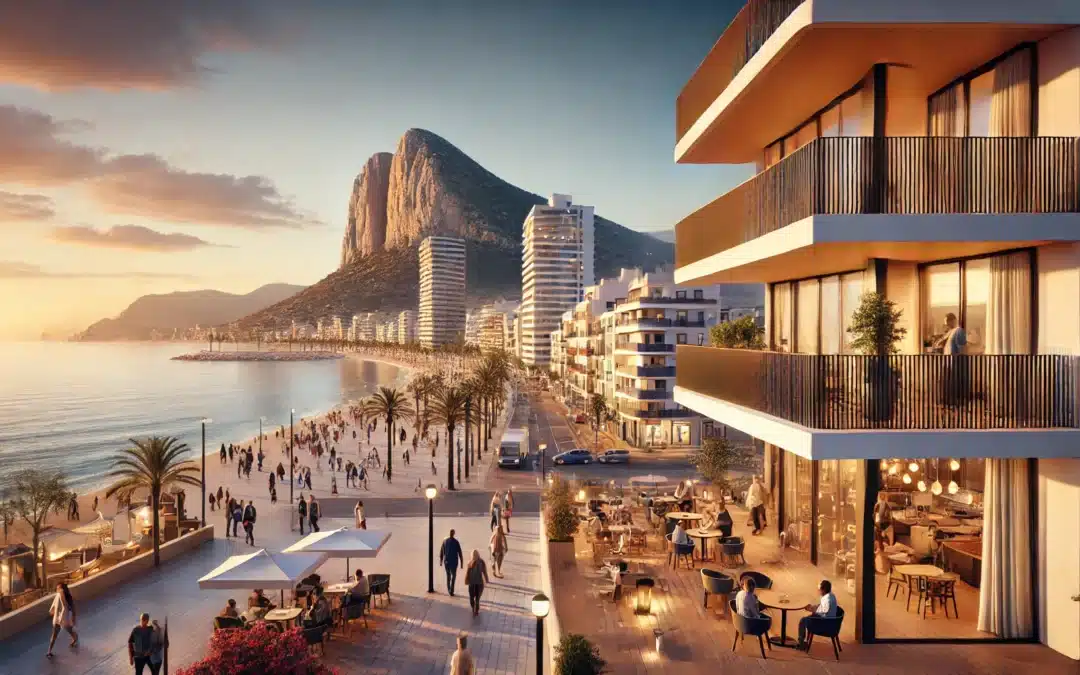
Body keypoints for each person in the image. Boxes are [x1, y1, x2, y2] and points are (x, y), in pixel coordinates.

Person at [798, 580, 838, 650]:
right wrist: (813, 607)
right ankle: (804, 641)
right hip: (832, 622)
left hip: (825, 624)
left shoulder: (827, 599)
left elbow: (823, 611)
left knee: (803, 620)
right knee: (810, 616)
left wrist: (811, 609)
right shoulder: (831, 596)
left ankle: (801, 644)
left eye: (820, 589)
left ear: (823, 590)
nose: (819, 591)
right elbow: (822, 607)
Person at [46, 582, 77, 658]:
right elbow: (55, 605)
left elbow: (68, 606)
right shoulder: (58, 596)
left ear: (63, 589)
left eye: (59, 588)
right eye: (57, 588)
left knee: (69, 630)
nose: (57, 590)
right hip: (58, 618)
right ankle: (49, 651)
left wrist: (73, 617)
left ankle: (75, 638)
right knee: (54, 634)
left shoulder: (67, 597)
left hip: (65, 617)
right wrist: (53, 611)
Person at [439, 528, 465, 596]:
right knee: (453, 576)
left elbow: (441, 552)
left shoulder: (445, 541)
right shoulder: (456, 542)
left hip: (447, 561)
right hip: (453, 562)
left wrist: (441, 561)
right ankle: (451, 590)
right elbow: (460, 553)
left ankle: (449, 589)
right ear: (454, 534)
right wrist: (461, 563)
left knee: (448, 576)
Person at [464, 549, 490, 617]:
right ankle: (476, 610)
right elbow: (484, 572)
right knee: (477, 598)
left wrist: (466, 580)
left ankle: (474, 608)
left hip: (472, 583)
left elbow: (467, 573)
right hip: (479, 583)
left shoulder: (470, 563)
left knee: (471, 597)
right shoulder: (481, 562)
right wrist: (487, 579)